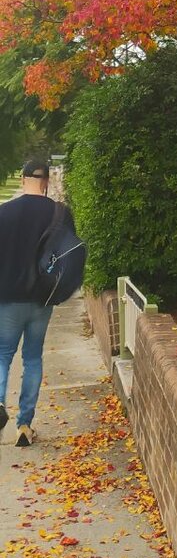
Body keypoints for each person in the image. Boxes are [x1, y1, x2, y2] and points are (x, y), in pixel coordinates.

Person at [0, 158, 79, 446]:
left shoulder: (4, 213)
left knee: (2, 355)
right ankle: (25, 424)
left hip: (7, 297)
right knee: (32, 357)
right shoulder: (59, 213)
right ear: (46, 181)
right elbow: (69, 253)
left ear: (22, 179)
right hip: (41, 299)